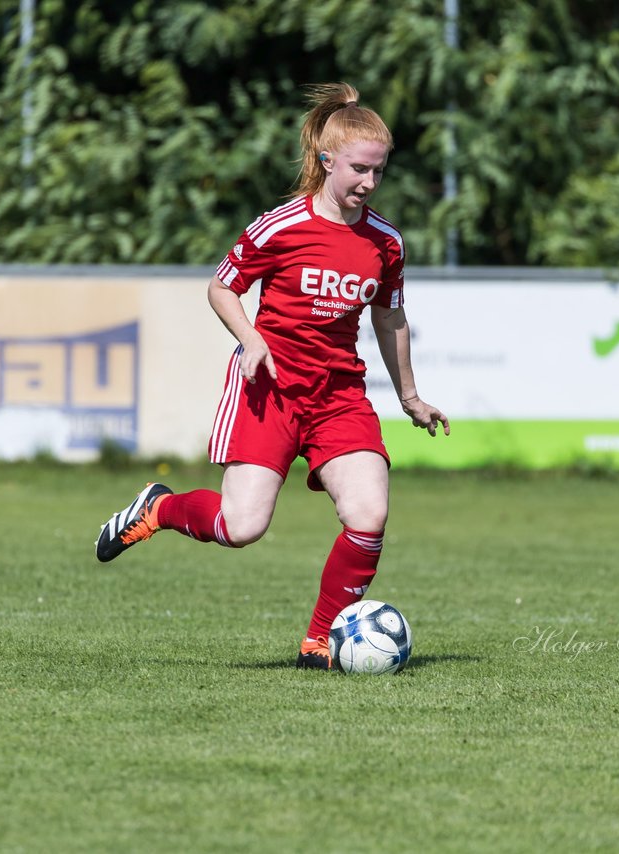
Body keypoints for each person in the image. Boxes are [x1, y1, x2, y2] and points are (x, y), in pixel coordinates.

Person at [95, 82, 449, 669]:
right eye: (359, 169)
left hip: (338, 396)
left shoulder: (386, 243)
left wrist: (410, 395)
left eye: (378, 171)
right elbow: (222, 286)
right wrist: (251, 337)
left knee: (369, 514)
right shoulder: (280, 226)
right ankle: (159, 509)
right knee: (240, 527)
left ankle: (318, 641)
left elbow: (390, 316)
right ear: (326, 160)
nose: (369, 182)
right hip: (270, 391)